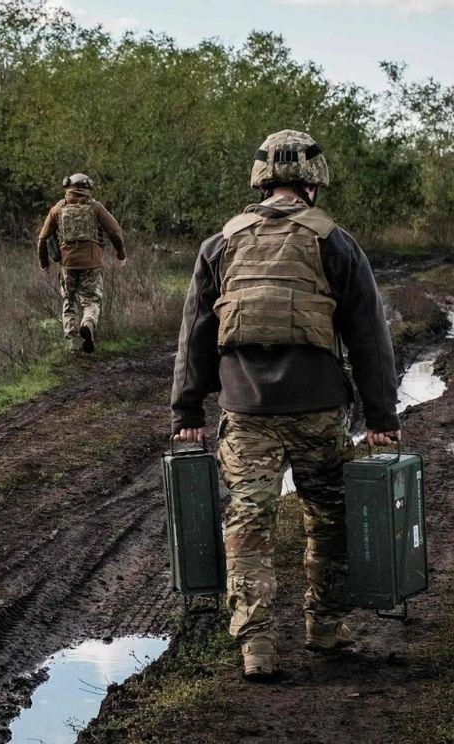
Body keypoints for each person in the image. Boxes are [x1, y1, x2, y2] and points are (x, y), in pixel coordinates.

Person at [170, 130, 401, 680]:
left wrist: (186, 412)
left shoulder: (220, 243)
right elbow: (369, 335)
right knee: (331, 519)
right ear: (314, 181)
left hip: (245, 412)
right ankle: (325, 627)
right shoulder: (335, 242)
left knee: (249, 523)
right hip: (319, 411)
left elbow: (196, 332)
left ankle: (256, 647)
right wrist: (382, 418)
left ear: (261, 180)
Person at [36, 173, 127, 353]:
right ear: (87, 189)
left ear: (68, 188)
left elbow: (42, 238)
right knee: (91, 301)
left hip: (67, 265)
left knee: (69, 302)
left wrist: (44, 263)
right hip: (92, 264)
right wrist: (121, 253)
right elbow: (115, 231)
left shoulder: (57, 209)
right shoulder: (96, 208)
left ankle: (71, 343)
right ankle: (88, 324)